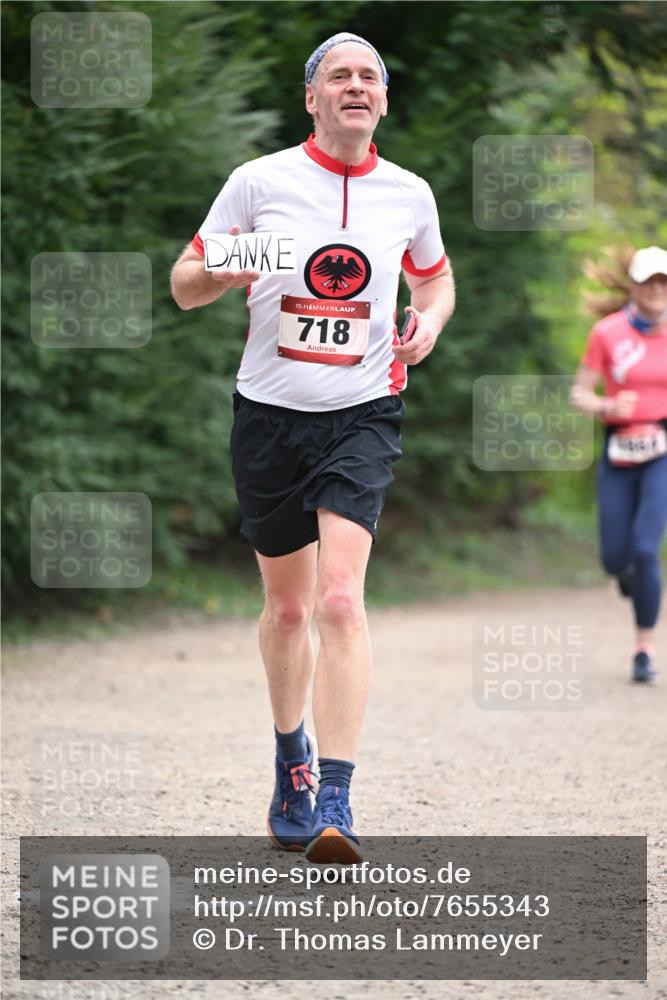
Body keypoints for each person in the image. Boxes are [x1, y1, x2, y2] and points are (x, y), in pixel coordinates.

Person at [171, 33, 455, 862]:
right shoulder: (259, 183)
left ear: (384, 101)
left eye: (369, 76)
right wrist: (232, 265)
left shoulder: (408, 193)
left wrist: (427, 322)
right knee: (288, 609)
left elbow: (432, 278)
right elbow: (185, 285)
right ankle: (290, 754)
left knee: (338, 601)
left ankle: (336, 793)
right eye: (339, 76)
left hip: (363, 413)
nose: (356, 86)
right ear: (312, 98)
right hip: (267, 416)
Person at [570, 245, 667, 683]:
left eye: (664, 282)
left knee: (646, 549)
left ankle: (644, 648)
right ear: (633, 285)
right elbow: (580, 393)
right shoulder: (607, 333)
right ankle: (626, 576)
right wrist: (607, 405)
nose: (657, 290)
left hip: (661, 450)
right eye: (649, 281)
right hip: (619, 449)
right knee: (615, 559)